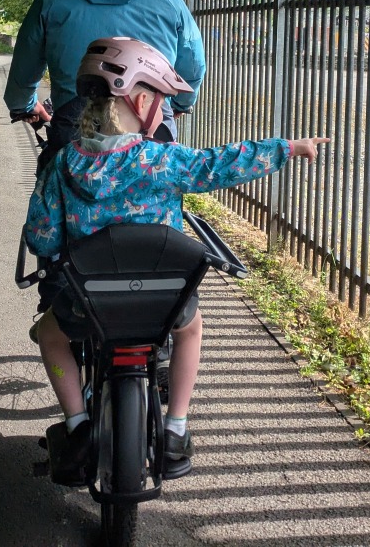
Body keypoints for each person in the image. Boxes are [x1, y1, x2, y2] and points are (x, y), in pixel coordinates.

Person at [26, 36, 329, 482]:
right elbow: (221, 164)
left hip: (89, 301)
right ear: (142, 99)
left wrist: (56, 248)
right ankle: (176, 428)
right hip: (160, 303)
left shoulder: (65, 164)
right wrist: (286, 148)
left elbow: (41, 237)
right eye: (162, 101)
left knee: (48, 335)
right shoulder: (163, 161)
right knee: (191, 331)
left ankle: (77, 426)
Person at [4, 0, 205, 168]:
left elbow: (25, 67)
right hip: (151, 123)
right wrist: (181, 103)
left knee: (56, 200)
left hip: (76, 125)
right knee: (159, 196)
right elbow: (193, 65)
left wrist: (23, 105)